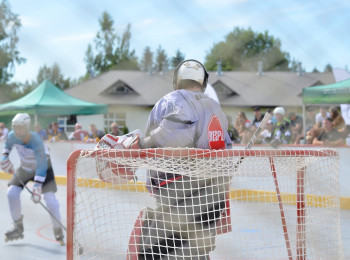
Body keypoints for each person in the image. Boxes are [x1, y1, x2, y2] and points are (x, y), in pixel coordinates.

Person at [97, 60, 232, 259]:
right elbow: (226, 148)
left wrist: (139, 145)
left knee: (149, 251)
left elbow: (175, 134)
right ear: (203, 83)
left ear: (176, 81)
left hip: (178, 191)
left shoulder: (173, 99)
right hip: (213, 196)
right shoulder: (214, 107)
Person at [0, 113, 64, 244]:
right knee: (11, 193)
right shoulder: (12, 135)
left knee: (51, 201)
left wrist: (37, 186)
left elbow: (41, 165)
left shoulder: (35, 140)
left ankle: (58, 230)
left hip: (44, 168)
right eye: (15, 127)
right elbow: (7, 146)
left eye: (21, 127)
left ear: (27, 126)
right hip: (25, 168)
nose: (18, 130)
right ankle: (17, 226)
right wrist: (4, 158)